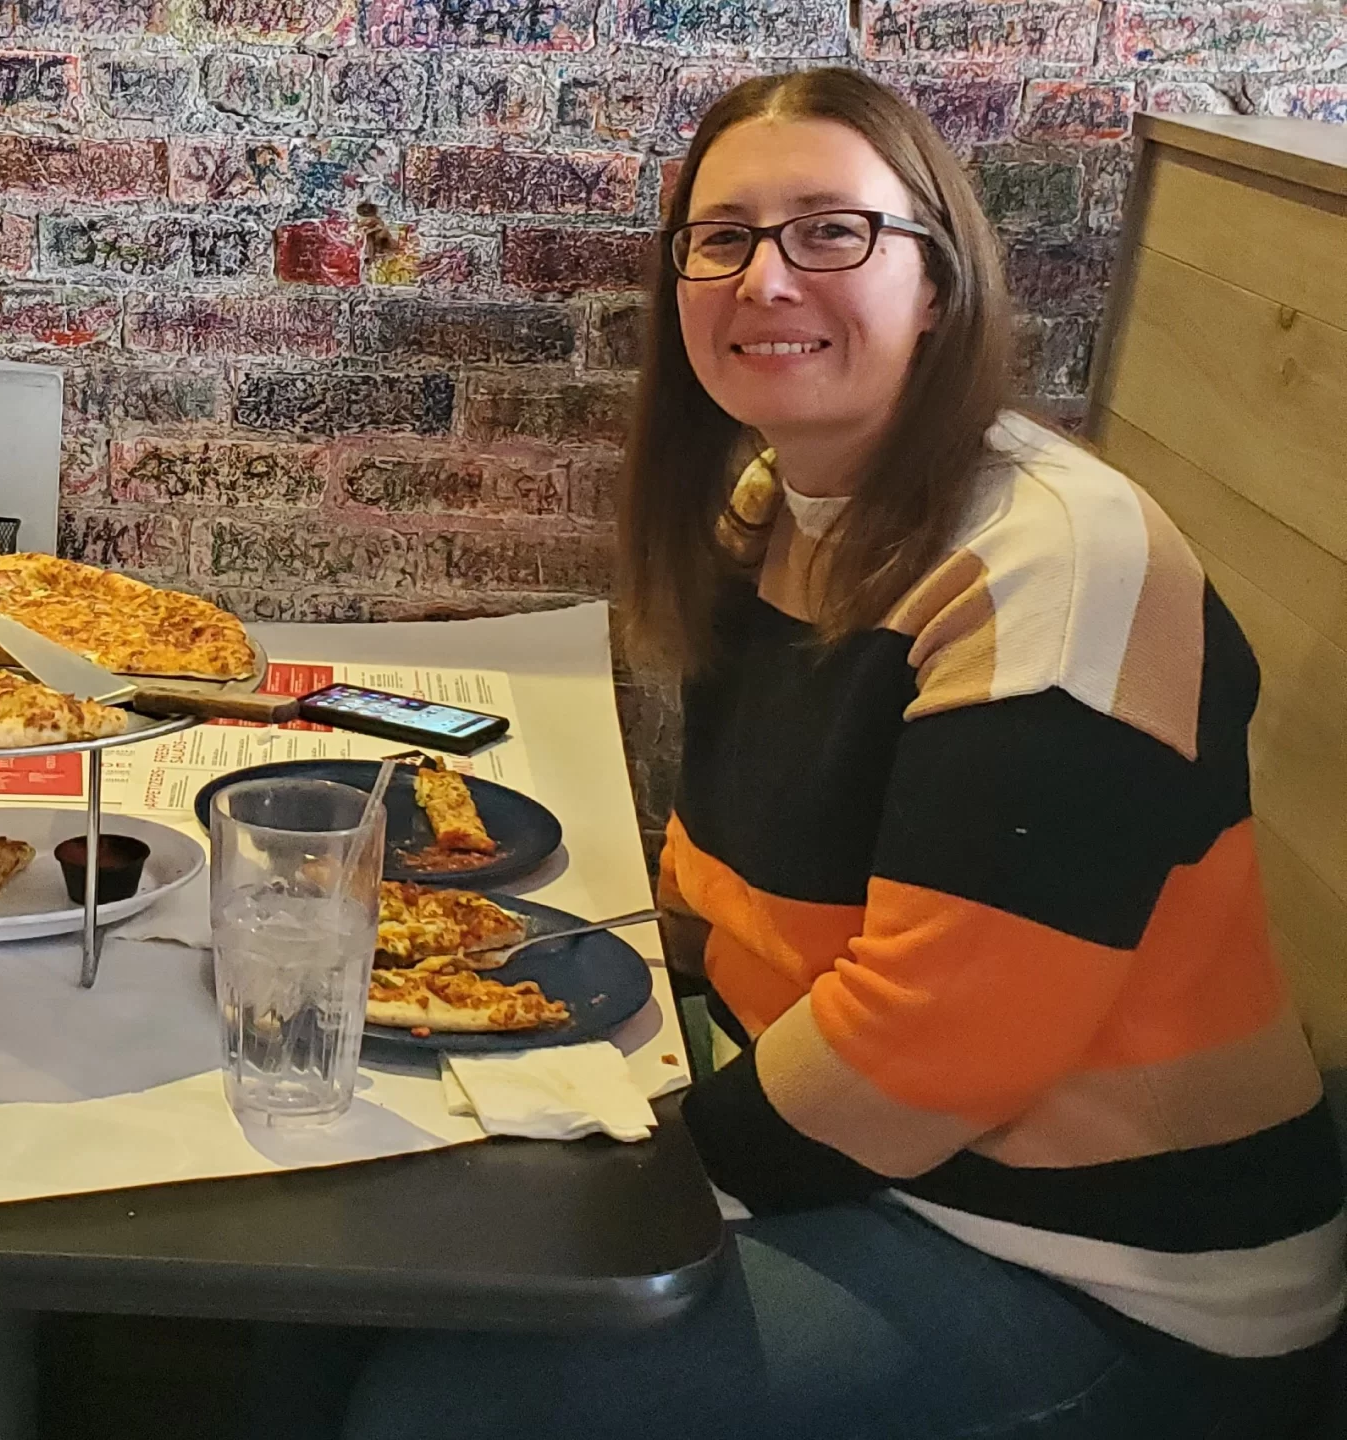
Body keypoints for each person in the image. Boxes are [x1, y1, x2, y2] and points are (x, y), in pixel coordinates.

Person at [311, 67, 1344, 1440]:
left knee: (448, 1405)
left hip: (1101, 1276)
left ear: (940, 277)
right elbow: (727, 887)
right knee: (337, 1274)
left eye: (832, 231)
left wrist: (622, 1193)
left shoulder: (1058, 562)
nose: (766, 279)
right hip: (860, 1155)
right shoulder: (775, 509)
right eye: (722, 237)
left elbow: (931, 1048)